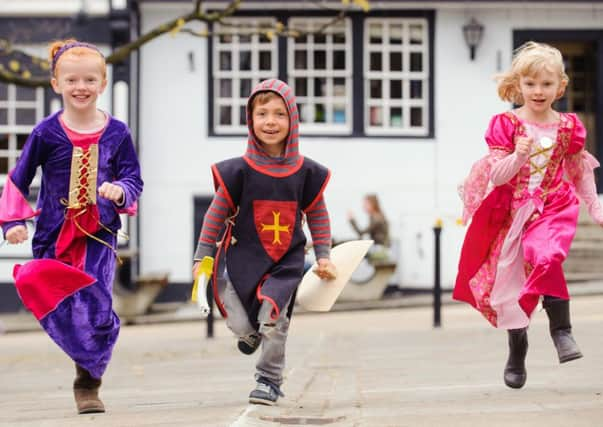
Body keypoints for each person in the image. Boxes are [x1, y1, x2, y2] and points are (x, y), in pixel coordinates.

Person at [0, 39, 143, 413]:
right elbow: (18, 178)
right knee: (38, 283)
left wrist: (119, 191)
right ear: (56, 83)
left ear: (103, 83)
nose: (81, 87)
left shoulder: (118, 133)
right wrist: (13, 221)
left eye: (90, 80)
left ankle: (87, 381)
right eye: (72, 80)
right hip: (53, 234)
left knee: (96, 306)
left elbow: (134, 178)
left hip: (99, 236)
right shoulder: (46, 133)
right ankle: (81, 348)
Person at [454, 41, 602, 389]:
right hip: (512, 211)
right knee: (512, 291)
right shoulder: (506, 124)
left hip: (553, 205)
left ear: (560, 87)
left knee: (546, 253)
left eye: (547, 84)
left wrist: (594, 205)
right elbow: (497, 176)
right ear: (518, 85)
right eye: (531, 84)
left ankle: (562, 332)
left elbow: (579, 171)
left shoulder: (568, 127)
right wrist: (518, 156)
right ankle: (517, 350)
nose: (539, 91)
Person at [193, 79, 336, 406]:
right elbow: (215, 215)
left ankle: (269, 380)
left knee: (274, 317)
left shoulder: (305, 172)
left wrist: (324, 254)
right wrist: (203, 256)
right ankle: (249, 335)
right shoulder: (238, 171)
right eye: (262, 114)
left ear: (293, 121)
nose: (270, 121)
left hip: (284, 264)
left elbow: (318, 215)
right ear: (250, 119)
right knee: (241, 323)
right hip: (241, 261)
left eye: (279, 114)